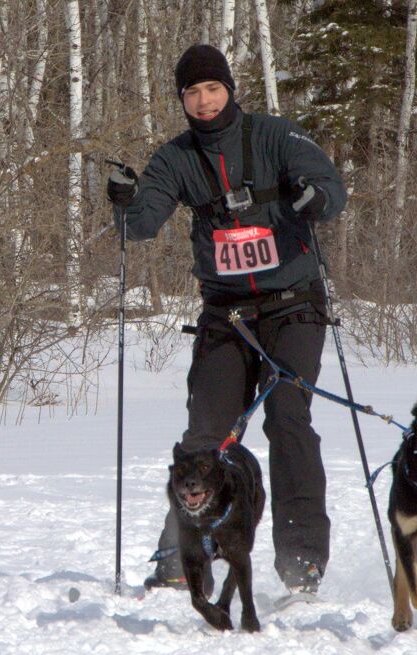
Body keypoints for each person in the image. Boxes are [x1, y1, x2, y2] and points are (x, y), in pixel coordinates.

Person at [107, 44, 347, 596]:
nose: (204, 100)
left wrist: (317, 199)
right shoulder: (175, 158)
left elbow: (328, 187)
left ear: (229, 90)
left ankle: (302, 558)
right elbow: (141, 225)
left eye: (212, 89)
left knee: (287, 421)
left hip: (293, 306)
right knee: (205, 438)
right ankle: (183, 552)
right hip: (227, 315)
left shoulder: (274, 136)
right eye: (192, 92)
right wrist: (124, 201)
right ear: (182, 100)